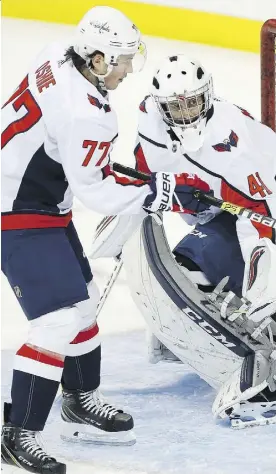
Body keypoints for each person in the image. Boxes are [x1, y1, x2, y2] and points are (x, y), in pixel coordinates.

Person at [1, 11, 212, 473]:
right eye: (119, 62)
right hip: (16, 212)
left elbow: (78, 160)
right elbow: (97, 192)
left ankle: (79, 400)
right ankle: (17, 435)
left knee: (83, 304)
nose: (128, 70)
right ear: (95, 59)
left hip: (37, 199)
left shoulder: (57, 56)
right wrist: (157, 193)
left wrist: (153, 184)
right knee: (57, 321)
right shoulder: (85, 114)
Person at [91, 54, 276, 429]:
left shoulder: (233, 147)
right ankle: (188, 336)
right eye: (175, 106)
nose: (185, 113)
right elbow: (145, 180)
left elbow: (267, 217)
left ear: (208, 96)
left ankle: (264, 352)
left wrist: (264, 279)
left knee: (218, 274)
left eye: (193, 102)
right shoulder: (151, 123)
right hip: (225, 214)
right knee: (185, 268)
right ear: (159, 105)